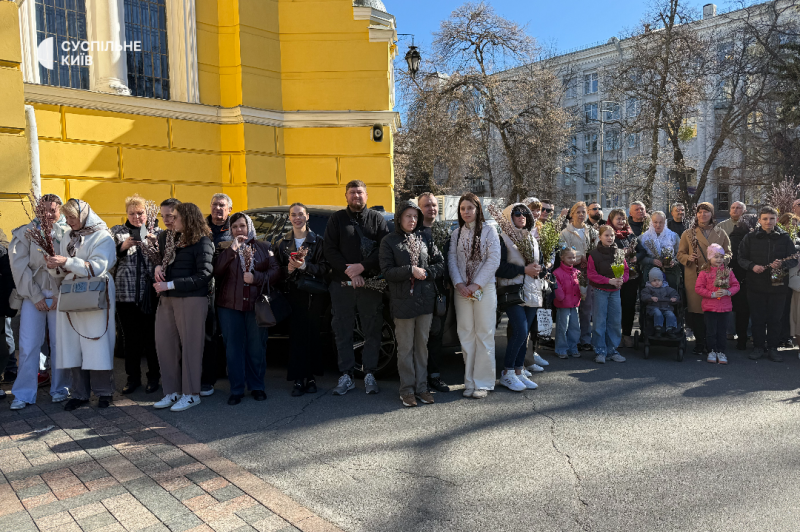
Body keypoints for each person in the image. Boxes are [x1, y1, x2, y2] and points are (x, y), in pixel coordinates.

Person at [46, 199, 117, 411]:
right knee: (73, 344)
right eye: (67, 217)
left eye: (72, 217)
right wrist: (54, 266)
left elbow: (98, 267)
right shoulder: (68, 235)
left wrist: (66, 262)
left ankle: (104, 392)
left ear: (84, 215)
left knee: (97, 342)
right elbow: (63, 269)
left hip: (96, 292)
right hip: (71, 292)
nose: (69, 222)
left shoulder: (103, 235)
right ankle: (79, 393)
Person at [324, 180, 390, 396]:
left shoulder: (377, 219)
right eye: (352, 192)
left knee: (372, 330)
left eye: (360, 192)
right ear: (346, 196)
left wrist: (362, 267)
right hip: (341, 284)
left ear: (366, 195)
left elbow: (384, 249)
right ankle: (346, 375)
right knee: (342, 331)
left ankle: (369, 373)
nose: (356, 196)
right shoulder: (336, 219)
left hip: (371, 284)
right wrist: (350, 272)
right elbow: (329, 250)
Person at [8, 195, 70, 410]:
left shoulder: (68, 232)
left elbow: (73, 264)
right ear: (37, 210)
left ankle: (61, 388)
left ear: (60, 210)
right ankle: (24, 393)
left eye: (53, 210)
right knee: (28, 344)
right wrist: (36, 296)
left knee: (60, 343)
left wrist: (59, 294)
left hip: (60, 293)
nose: (48, 214)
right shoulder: (26, 232)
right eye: (44, 210)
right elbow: (19, 266)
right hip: (32, 294)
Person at [380, 201, 444, 407]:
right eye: (408, 216)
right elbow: (387, 271)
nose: (412, 220)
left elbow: (440, 263)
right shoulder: (389, 241)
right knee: (406, 348)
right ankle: (407, 390)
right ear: (399, 218)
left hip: (425, 301)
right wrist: (410, 270)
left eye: (415, 216)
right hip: (403, 302)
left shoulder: (424, 238)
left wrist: (427, 273)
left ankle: (422, 388)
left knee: (422, 347)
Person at [152, 203, 214, 411]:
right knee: (165, 345)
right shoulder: (172, 240)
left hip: (192, 300)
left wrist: (170, 284)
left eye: (176, 217)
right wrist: (158, 267)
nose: (171, 220)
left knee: (191, 348)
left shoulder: (203, 242)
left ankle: (191, 394)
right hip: (167, 299)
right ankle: (172, 391)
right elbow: (164, 263)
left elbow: (204, 275)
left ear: (188, 219)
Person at [214, 212, 279, 405]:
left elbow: (276, 272)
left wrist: (256, 278)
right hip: (229, 306)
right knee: (233, 349)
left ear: (249, 227)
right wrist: (232, 249)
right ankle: (236, 389)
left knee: (256, 347)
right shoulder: (225, 247)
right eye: (234, 227)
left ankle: (257, 386)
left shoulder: (264, 247)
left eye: (242, 226)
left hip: (255, 305)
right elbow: (217, 271)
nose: (238, 230)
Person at [450, 193, 501, 399]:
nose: (466, 212)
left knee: (484, 334)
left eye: (470, 208)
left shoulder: (490, 230)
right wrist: (459, 283)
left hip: (484, 288)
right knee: (466, 334)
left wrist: (476, 284)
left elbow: (493, 260)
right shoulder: (456, 233)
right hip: (462, 290)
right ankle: (469, 381)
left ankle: (484, 383)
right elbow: (452, 260)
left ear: (478, 209)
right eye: (462, 208)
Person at [276, 203, 329, 396]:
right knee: (296, 337)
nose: (297, 218)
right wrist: (289, 269)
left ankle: (312, 377)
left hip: (313, 294)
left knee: (312, 335)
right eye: (293, 215)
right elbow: (276, 272)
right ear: (289, 218)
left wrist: (305, 266)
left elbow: (325, 268)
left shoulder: (318, 241)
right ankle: (298, 379)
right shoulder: (282, 243)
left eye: (300, 214)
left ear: (307, 217)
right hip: (292, 294)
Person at [110, 194, 161, 395]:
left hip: (150, 294)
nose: (136, 217)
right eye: (131, 213)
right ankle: (133, 378)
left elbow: (165, 259)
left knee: (151, 338)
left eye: (140, 213)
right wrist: (123, 247)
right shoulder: (117, 232)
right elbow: (108, 259)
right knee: (130, 339)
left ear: (147, 214)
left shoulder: (156, 232)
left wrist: (154, 242)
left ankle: (154, 377)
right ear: (126, 214)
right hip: (125, 295)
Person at [738, 206, 798, 362]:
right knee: (757, 319)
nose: (768, 222)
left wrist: (782, 264)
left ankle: (773, 348)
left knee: (775, 320)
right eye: (765, 219)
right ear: (759, 220)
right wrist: (752, 266)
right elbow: (741, 258)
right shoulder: (750, 237)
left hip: (778, 287)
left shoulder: (785, 238)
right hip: (755, 285)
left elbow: (794, 258)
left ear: (776, 220)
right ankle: (758, 347)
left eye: (772, 219)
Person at [496, 203, 542, 391]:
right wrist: (523, 270)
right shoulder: (502, 238)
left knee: (526, 333)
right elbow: (499, 268)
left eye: (525, 213)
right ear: (509, 216)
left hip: (533, 289)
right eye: (517, 213)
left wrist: (540, 269)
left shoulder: (532, 238)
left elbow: (539, 262)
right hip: (513, 290)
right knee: (520, 331)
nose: (521, 216)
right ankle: (507, 372)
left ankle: (518, 369)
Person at [678, 202, 731, 356]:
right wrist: (688, 257)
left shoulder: (721, 233)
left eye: (706, 212)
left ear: (712, 214)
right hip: (694, 275)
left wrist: (720, 259)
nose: (703, 215)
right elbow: (680, 254)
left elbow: (729, 252)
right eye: (700, 212)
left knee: (712, 309)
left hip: (716, 276)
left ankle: (712, 344)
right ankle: (700, 342)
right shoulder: (688, 233)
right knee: (697, 311)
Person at [417, 192, 451, 392]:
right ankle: (420, 379)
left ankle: (435, 376)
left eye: (434, 205)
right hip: (420, 290)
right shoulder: (414, 231)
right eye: (426, 205)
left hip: (440, 291)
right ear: (419, 208)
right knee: (421, 337)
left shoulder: (443, 231)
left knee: (436, 335)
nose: (431, 208)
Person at [560, 202, 598, 352]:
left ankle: (586, 339)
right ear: (572, 214)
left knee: (587, 307)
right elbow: (564, 252)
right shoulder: (565, 233)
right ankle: (572, 341)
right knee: (572, 307)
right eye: (578, 212)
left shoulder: (592, 231)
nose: (581, 215)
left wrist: (589, 259)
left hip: (588, 272)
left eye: (583, 212)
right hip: (571, 272)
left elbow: (597, 250)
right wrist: (580, 257)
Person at [587, 225, 629, 364]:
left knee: (615, 321)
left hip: (615, 292)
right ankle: (600, 350)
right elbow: (591, 274)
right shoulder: (594, 254)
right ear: (600, 237)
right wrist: (608, 281)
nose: (610, 238)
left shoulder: (619, 253)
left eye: (612, 235)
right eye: (606, 235)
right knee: (599, 321)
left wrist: (622, 280)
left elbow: (626, 271)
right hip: (600, 291)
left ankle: (612, 350)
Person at [695, 243, 740, 364]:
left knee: (722, 331)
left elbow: (736, 285)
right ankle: (711, 350)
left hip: (725, 307)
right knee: (711, 331)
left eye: (721, 257)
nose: (719, 259)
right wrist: (712, 294)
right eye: (716, 257)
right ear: (710, 258)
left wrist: (728, 292)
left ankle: (721, 351)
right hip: (710, 307)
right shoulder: (704, 272)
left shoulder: (728, 272)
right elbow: (698, 288)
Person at [607, 209, 639, 348]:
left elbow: (641, 251)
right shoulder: (609, 234)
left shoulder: (630, 235)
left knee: (629, 306)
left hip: (631, 277)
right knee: (615, 307)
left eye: (623, 219)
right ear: (612, 220)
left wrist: (636, 256)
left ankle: (626, 334)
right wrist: (621, 254)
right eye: (618, 219)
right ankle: (615, 336)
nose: (621, 221)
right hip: (614, 276)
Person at [729, 216, 756, 350]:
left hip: (737, 279)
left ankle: (741, 340)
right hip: (750, 277)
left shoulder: (732, 237)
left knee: (740, 312)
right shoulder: (751, 238)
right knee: (751, 311)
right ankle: (752, 338)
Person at [637, 211, 680, 287]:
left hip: (670, 270)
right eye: (655, 222)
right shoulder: (643, 238)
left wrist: (674, 261)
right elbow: (639, 257)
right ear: (651, 222)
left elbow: (680, 253)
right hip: (650, 270)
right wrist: (651, 261)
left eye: (661, 222)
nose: (658, 225)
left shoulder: (673, 236)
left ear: (665, 222)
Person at [553, 247, 581, 359]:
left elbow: (580, 286)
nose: (572, 260)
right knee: (562, 327)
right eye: (569, 258)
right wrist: (561, 298)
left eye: (573, 257)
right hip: (563, 305)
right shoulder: (557, 273)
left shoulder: (577, 272)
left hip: (574, 304)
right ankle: (561, 349)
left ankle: (573, 347)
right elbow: (557, 287)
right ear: (562, 258)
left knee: (575, 327)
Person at [778, 213, 800, 348]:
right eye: (791, 224)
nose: (793, 227)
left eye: (796, 224)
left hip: (794, 280)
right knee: (782, 309)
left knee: (792, 312)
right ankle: (780, 336)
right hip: (781, 277)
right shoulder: (779, 239)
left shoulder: (798, 241)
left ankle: (788, 336)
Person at [640, 269, 681, 338]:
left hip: (666, 307)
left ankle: (670, 329)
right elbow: (644, 296)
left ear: (662, 280)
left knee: (670, 314)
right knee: (658, 313)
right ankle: (658, 329)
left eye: (659, 280)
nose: (657, 283)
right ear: (650, 281)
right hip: (653, 308)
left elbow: (675, 294)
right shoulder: (648, 289)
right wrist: (651, 298)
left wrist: (674, 298)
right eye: (654, 281)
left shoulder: (667, 288)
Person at [0, 232, 16, 399]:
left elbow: (8, 278)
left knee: (5, 339)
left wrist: (7, 306)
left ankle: (11, 368)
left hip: (1, 304)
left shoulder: (2, 249)